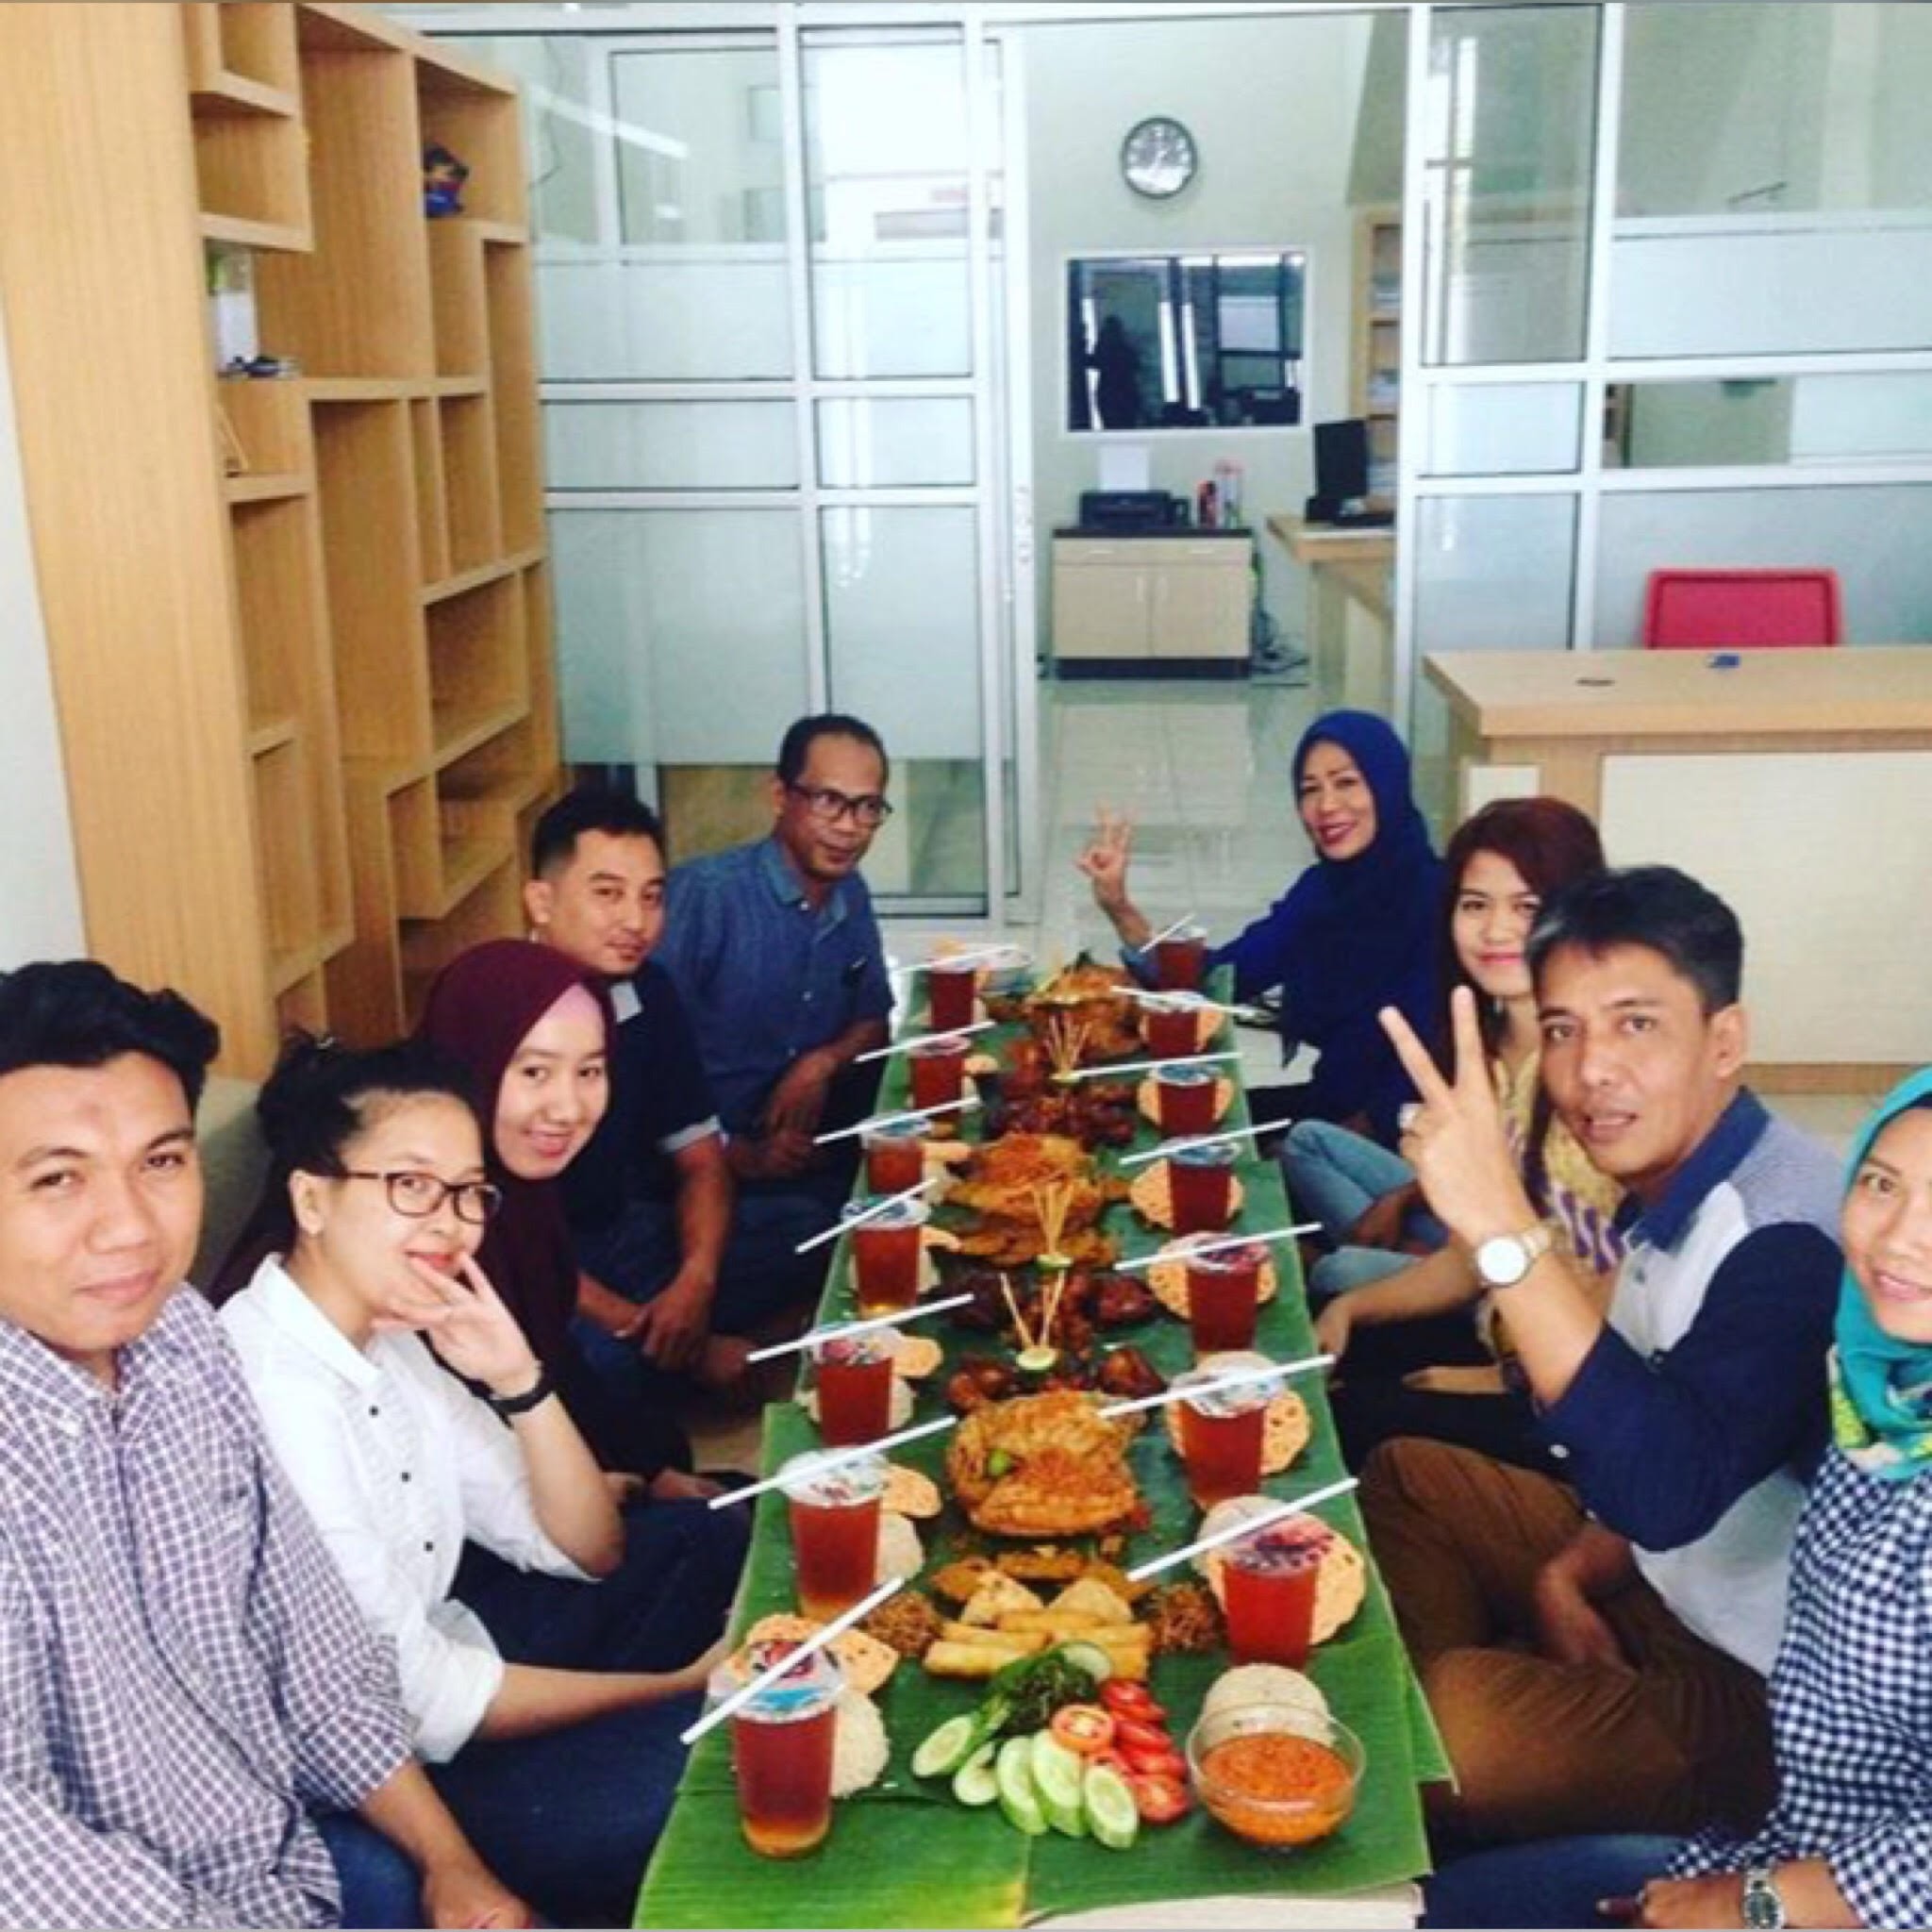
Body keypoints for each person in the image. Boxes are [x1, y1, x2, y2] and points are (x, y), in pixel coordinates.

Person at [0, 960, 526, 1928]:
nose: (129, 1227)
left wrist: (450, 1863)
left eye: (162, 1162)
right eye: (58, 1178)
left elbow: (313, 1644)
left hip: (291, 1854)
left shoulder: (182, 1340)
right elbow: (24, 1867)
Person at [1361, 866, 1841, 1843]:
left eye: (1635, 1024)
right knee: (1409, 1476)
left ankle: (1467, 1767)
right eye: (1563, 1029)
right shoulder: (1677, 1180)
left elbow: (1668, 1486)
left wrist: (1502, 1225)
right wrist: (1564, 1574)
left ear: (1724, 1041)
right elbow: (1665, 1440)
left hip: (1762, 1683)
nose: (1589, 1071)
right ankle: (1480, 1754)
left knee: (1451, 1728)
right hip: (1659, 1578)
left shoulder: (1782, 1233)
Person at [221, 1034, 739, 1929]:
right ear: (311, 1199)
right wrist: (680, 1684)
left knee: (715, 1530)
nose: (453, 1223)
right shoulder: (274, 1389)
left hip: (459, 1658)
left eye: (467, 1192)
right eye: (412, 1185)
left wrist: (518, 1379)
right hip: (384, 1780)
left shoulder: (388, 1330)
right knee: (721, 1766)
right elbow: (414, 1702)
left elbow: (590, 1548)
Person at [1422, 1074, 1932, 1931]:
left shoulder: (1772, 1243)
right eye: (1882, 1184)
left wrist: (1756, 1903)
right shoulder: (1876, 1385)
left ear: (1722, 1046)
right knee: (1430, 1905)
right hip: (1785, 1838)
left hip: (1826, 1896)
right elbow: (1684, 1462)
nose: (1901, 1237)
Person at [1296, 798, 1624, 1475]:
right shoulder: (1491, 1058)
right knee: (1315, 1337)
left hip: (1581, 1391)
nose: (1497, 929)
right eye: (1476, 905)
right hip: (1500, 1329)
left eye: (1527, 906)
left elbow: (1640, 1277)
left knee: (1349, 1424)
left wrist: (1499, 1378)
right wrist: (1354, 1308)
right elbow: (1471, 1258)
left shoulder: (1605, 1078)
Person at [1079, 708, 1442, 1141]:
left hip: (1399, 1140)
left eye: (1346, 783)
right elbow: (1220, 980)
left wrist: (1304, 1155)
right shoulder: (1322, 891)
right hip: (1326, 1108)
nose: (1326, 806)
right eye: (1310, 790)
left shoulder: (1437, 901)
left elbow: (1430, 1066)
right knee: (1143, 1124)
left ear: (1388, 786)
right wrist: (1120, 907)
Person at [415, 939, 696, 1485]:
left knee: (670, 1453)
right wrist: (611, 1489)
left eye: (589, 1072)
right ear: (472, 1059)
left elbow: (550, 1351)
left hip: (532, 1450)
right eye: (534, 1073)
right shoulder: (420, 1218)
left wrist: (650, 1473)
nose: (567, 1109)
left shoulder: (515, 1188)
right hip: (471, 1505)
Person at [654, 713, 894, 1292]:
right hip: (696, 1176)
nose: (849, 828)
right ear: (779, 795)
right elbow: (640, 1067)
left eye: (867, 808)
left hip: (808, 1152)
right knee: (841, 1249)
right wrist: (738, 1154)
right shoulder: (705, 898)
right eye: (829, 802)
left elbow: (873, 1020)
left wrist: (820, 1063)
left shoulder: (849, 890)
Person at [523, 789, 748, 1394]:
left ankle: (678, 1346)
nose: (635, 921)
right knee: (600, 1370)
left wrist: (695, 1283)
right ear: (541, 902)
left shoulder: (649, 990)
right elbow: (503, 1232)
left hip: (622, 1225)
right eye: (607, 894)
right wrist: (640, 1325)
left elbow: (701, 1159)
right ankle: (675, 1360)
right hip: (531, 1256)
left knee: (804, 1232)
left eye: (651, 897)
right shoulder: (500, 1008)